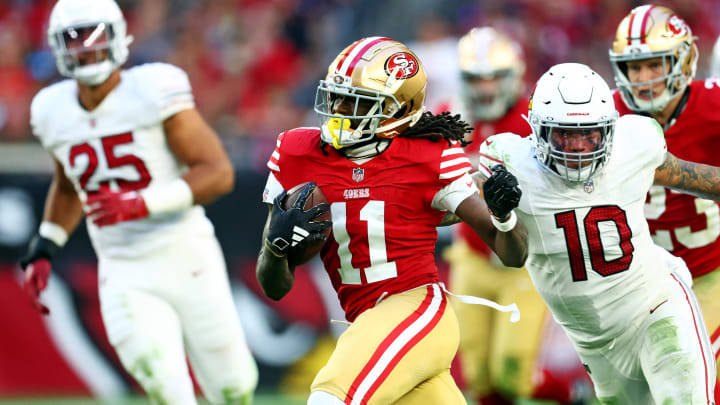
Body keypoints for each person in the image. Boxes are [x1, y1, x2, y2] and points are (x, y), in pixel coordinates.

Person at [256, 37, 529, 405]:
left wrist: (504, 216)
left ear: (395, 110)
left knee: (330, 399)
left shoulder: (428, 155)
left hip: (417, 308)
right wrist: (275, 250)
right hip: (366, 321)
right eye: (337, 96)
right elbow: (274, 286)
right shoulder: (297, 154)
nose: (339, 109)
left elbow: (513, 255)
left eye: (356, 101)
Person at [18, 0, 258, 404]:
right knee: (166, 387)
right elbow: (68, 185)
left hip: (187, 256)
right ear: (57, 46)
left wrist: (141, 204)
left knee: (234, 388)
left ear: (116, 36)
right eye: (73, 38)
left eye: (93, 36)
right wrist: (45, 246)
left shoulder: (152, 89)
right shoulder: (51, 109)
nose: (84, 48)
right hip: (123, 266)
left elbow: (218, 172)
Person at [477, 62, 717, 404]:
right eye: (565, 134)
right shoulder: (514, 165)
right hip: (594, 342)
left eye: (589, 133)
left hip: (656, 305)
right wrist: (500, 214)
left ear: (609, 130)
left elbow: (689, 177)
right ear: (539, 130)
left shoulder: (633, 147)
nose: (578, 147)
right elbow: (511, 256)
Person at [444, 26, 591, 405]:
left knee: (512, 371)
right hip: (473, 257)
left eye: (495, 76)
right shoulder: (446, 119)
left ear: (514, 76)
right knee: (477, 375)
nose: (486, 87)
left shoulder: (536, 119)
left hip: (526, 261)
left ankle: (571, 396)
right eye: (476, 78)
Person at [609, 5, 720, 397]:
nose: (643, 79)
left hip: (711, 271)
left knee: (700, 383)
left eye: (655, 65)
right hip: (647, 282)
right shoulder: (607, 116)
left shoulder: (713, 107)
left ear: (683, 59)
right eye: (634, 68)